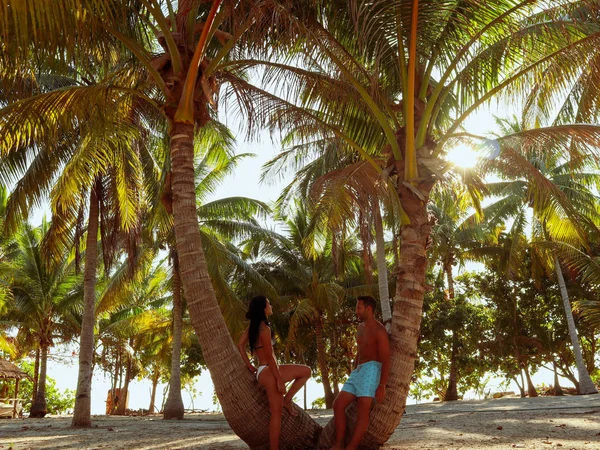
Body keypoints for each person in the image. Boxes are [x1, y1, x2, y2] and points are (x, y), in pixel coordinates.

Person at [237, 295, 311, 450]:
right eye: (269, 303)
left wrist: (250, 366)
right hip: (269, 372)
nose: (271, 306)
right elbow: (270, 356)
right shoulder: (264, 328)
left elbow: (240, 345)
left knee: (305, 371)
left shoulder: (253, 327)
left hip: (262, 371)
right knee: (276, 414)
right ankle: (287, 401)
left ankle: (287, 400)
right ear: (263, 308)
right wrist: (279, 380)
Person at [331, 295, 390, 450]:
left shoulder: (380, 331)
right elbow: (359, 352)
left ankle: (351, 447)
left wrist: (382, 384)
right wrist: (354, 370)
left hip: (372, 369)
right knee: (337, 405)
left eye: (358, 308)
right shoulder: (360, 328)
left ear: (368, 309)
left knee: (363, 410)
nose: (356, 311)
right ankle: (339, 443)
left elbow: (386, 359)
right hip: (358, 370)